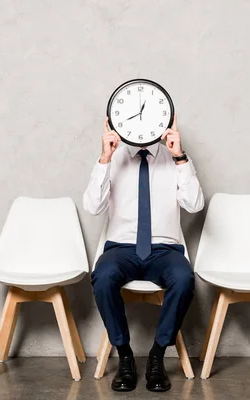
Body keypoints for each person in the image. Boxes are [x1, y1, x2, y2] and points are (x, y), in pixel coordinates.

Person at [83, 116, 204, 392]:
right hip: (122, 249)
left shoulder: (174, 160)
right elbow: (92, 207)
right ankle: (124, 355)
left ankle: (157, 355)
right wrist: (104, 158)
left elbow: (195, 205)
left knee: (184, 277)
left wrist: (180, 157)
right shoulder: (114, 158)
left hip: (164, 250)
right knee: (102, 276)